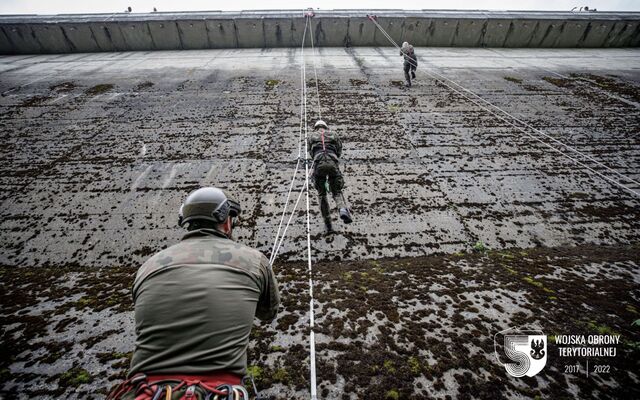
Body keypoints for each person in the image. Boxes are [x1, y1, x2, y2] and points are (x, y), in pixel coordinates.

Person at [108, 187, 280, 399]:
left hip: (145, 391)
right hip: (218, 391)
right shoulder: (254, 260)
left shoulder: (149, 266)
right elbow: (268, 313)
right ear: (227, 222)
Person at [308, 120, 353, 234]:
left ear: (316, 127)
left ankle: (328, 223)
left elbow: (310, 151)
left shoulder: (311, 135)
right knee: (336, 191)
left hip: (319, 163)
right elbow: (339, 150)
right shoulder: (333, 134)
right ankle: (342, 209)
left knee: (322, 194)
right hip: (332, 161)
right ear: (326, 127)